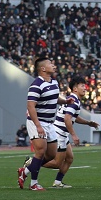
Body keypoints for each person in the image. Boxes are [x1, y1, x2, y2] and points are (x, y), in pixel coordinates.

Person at [46, 76, 99, 189]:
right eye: (82, 86)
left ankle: (57, 182)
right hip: (59, 133)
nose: (85, 88)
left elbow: (74, 117)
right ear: (75, 89)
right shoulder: (74, 101)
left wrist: (89, 123)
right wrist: (74, 135)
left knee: (69, 158)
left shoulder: (73, 100)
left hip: (62, 133)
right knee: (57, 163)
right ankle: (32, 163)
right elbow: (67, 118)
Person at [17, 56, 60, 192]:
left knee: (52, 155)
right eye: (50, 63)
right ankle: (34, 183)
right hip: (37, 122)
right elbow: (30, 106)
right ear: (42, 69)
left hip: (49, 123)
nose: (53, 65)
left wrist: (66, 102)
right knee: (40, 151)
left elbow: (54, 97)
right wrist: (38, 126)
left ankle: (26, 171)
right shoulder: (36, 85)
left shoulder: (54, 82)